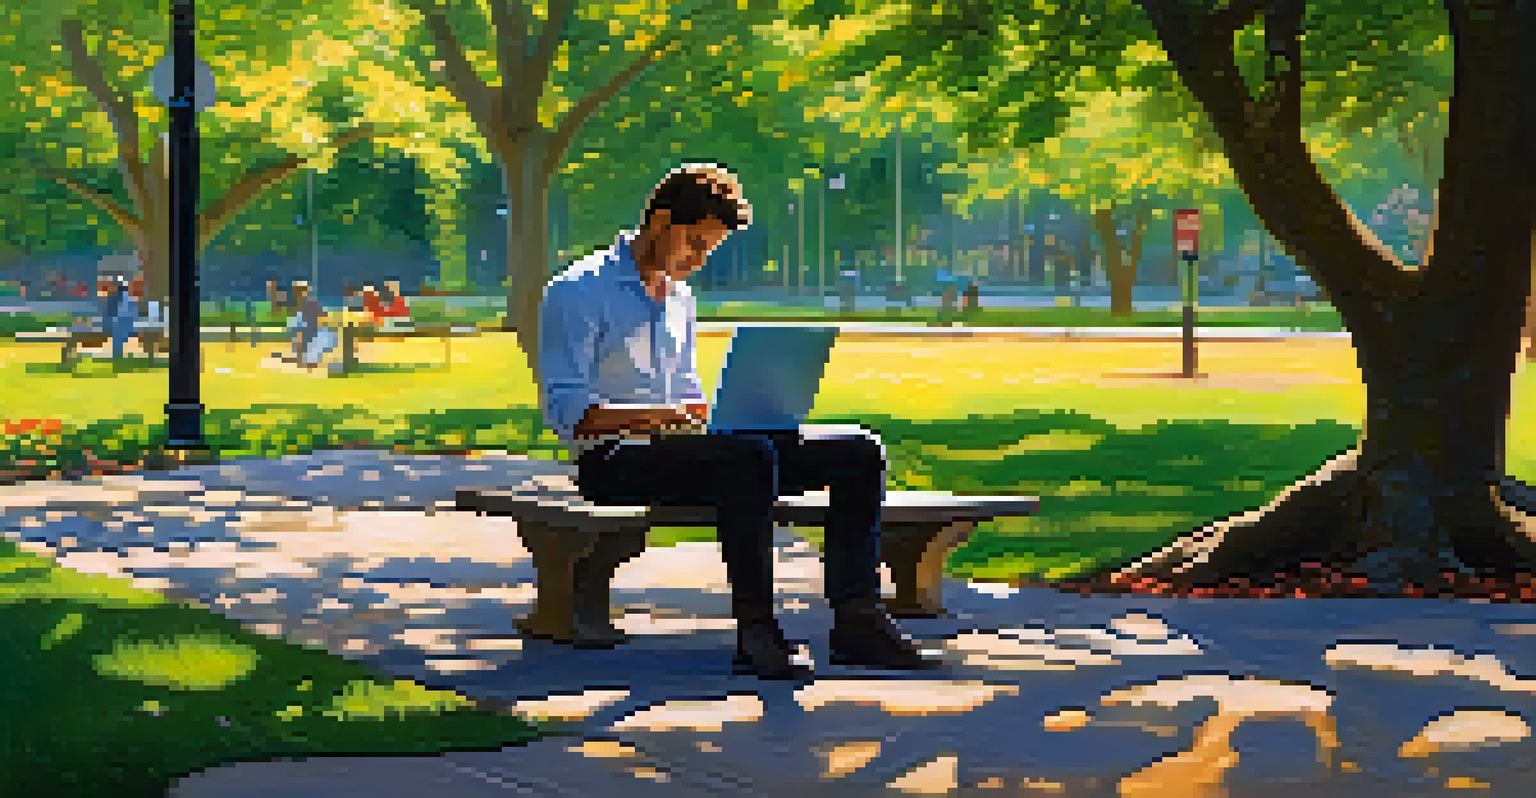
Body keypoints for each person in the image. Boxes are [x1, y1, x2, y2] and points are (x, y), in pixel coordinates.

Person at [539, 162, 939, 680]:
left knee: (857, 452)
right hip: (613, 460)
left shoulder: (678, 297)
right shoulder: (579, 290)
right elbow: (567, 413)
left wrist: (721, 412)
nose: (700, 260)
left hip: (689, 452)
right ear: (660, 221)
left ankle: (857, 621)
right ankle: (757, 632)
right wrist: (665, 417)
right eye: (695, 244)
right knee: (749, 459)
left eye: (710, 249)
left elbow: (685, 389)